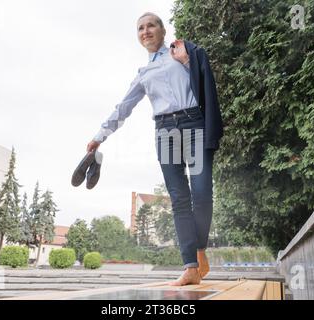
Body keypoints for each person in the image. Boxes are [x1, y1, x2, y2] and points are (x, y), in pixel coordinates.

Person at [86, 12, 223, 286]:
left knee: (201, 191)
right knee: (179, 198)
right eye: (140, 28)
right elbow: (123, 107)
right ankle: (190, 266)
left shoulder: (181, 55)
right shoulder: (143, 73)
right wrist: (100, 136)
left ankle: (199, 249)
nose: (145, 31)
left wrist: (186, 61)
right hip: (166, 131)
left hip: (193, 124)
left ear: (162, 31)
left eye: (150, 26)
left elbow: (201, 76)